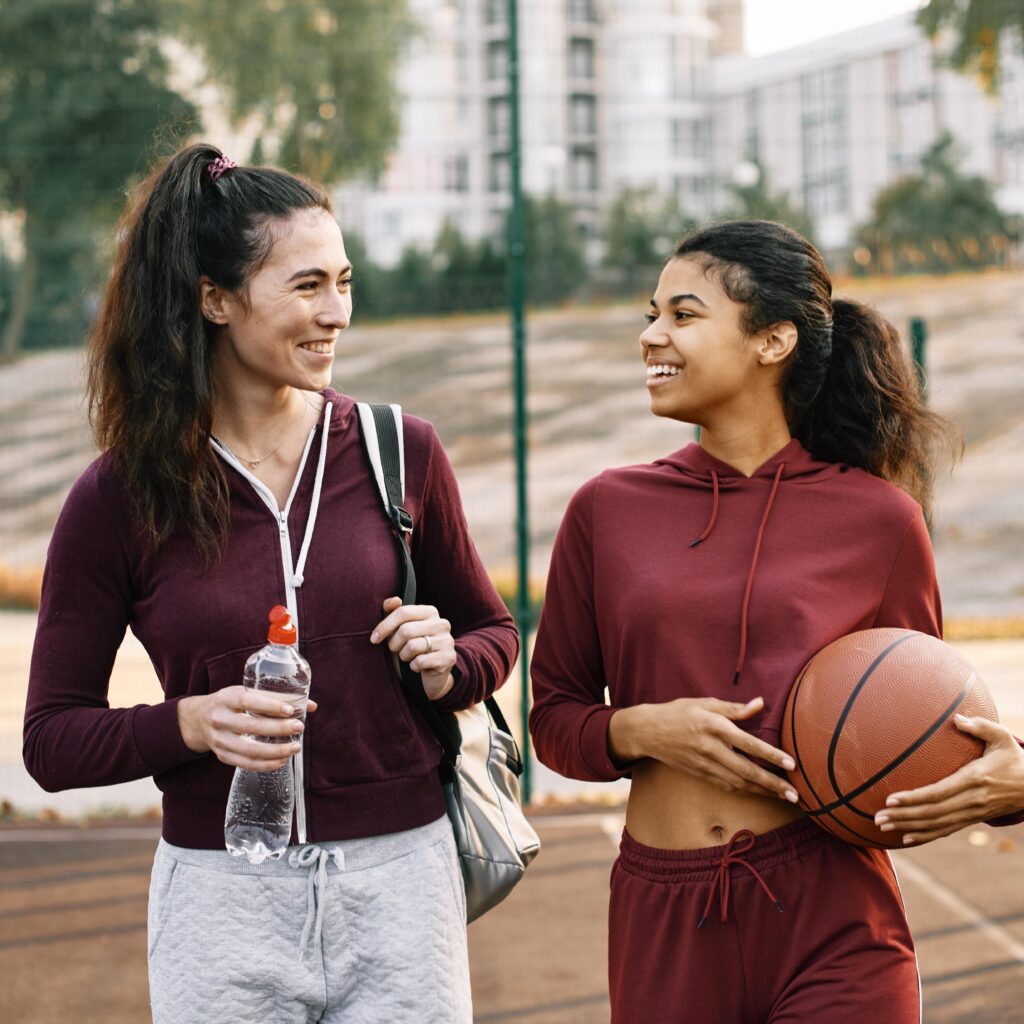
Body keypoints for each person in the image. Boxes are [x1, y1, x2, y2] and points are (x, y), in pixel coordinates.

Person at [23, 143, 519, 1024]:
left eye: (345, 281)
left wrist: (452, 663)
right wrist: (190, 721)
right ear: (215, 299)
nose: (337, 314)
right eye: (305, 286)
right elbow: (52, 739)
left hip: (402, 884)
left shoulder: (401, 449)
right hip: (220, 902)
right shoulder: (120, 495)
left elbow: (495, 634)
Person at [529, 220, 1024, 1023]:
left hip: (834, 913)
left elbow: (929, 726)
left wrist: (1011, 785)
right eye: (651, 314)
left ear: (773, 340)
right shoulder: (605, 511)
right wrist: (645, 731)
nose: (652, 336)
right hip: (667, 912)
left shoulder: (881, 521)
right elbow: (553, 721)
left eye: (683, 315)